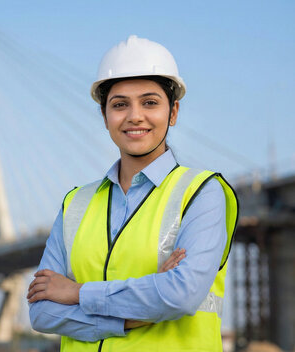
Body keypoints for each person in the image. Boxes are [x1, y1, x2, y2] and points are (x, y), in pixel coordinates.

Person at [27, 35, 238, 352]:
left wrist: (77, 293)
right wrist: (135, 316)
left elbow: (181, 295)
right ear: (104, 116)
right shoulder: (75, 203)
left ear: (174, 112)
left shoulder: (202, 193)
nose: (134, 116)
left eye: (150, 102)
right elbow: (42, 312)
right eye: (119, 104)